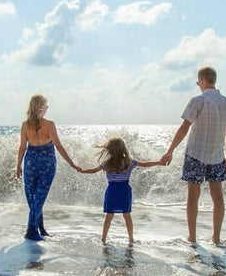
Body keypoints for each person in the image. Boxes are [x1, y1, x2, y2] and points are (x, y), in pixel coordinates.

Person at [159, 66, 226, 245]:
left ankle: (192, 237)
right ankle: (216, 238)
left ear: (202, 81)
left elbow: (184, 129)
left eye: (198, 83)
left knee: (193, 197)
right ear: (214, 81)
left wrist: (170, 151)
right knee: (217, 197)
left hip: (195, 154)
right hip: (217, 156)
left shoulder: (197, 101)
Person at [16, 94, 78, 241]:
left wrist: (18, 165)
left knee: (34, 198)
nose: (47, 108)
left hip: (30, 162)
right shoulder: (49, 124)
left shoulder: (25, 124)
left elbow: (22, 148)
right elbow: (59, 146)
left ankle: (40, 228)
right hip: (46, 163)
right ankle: (31, 231)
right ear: (42, 108)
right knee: (37, 198)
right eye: (46, 106)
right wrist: (72, 163)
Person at [78, 137, 160, 244]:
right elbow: (145, 164)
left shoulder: (107, 163)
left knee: (109, 216)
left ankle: (103, 239)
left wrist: (82, 171)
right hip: (124, 191)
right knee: (127, 215)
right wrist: (159, 162)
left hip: (112, 191)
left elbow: (94, 170)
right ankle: (131, 239)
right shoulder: (129, 162)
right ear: (123, 149)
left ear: (109, 150)